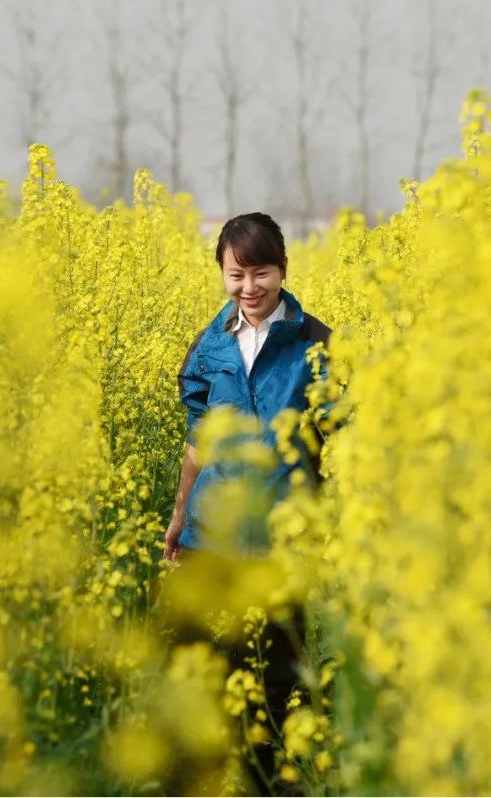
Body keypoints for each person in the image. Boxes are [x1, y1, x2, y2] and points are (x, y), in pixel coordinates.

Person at [161, 212, 332, 796]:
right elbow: (197, 440)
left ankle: (270, 786)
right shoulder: (210, 345)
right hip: (212, 535)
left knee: (277, 685)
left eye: (261, 272)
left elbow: (339, 440)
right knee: (202, 676)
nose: (250, 287)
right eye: (237, 275)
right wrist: (180, 515)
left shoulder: (317, 344)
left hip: (281, 540)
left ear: (282, 271)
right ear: (222, 275)